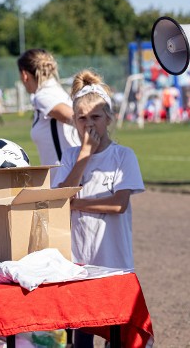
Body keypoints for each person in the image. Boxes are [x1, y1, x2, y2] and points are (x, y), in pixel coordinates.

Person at [52, 69, 145, 348]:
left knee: (115, 334)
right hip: (79, 262)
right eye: (82, 118)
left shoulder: (122, 156)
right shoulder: (70, 156)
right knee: (82, 335)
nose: (88, 123)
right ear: (74, 122)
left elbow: (119, 203)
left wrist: (77, 203)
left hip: (113, 262)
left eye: (95, 117)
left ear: (108, 118)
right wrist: (83, 156)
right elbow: (58, 201)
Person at [17, 49, 79, 180]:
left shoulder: (43, 96)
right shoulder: (54, 91)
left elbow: (77, 118)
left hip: (64, 178)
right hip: (68, 175)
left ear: (24, 75)